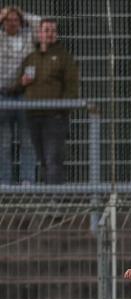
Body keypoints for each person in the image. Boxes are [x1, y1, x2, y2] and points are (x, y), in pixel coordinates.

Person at [17, 17, 77, 184]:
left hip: (55, 118)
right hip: (34, 116)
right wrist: (21, 83)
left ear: (57, 34)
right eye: (46, 30)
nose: (49, 34)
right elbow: (18, 85)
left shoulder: (64, 58)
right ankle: (49, 196)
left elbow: (72, 88)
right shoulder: (31, 58)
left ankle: (56, 197)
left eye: (53, 30)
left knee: (53, 158)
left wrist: (61, 110)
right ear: (40, 33)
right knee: (42, 158)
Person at [0, 5, 38, 185]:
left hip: (24, 94)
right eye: (8, 20)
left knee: (27, 140)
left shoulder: (28, 37)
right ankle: (4, 182)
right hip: (3, 94)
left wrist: (24, 14)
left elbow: (40, 24)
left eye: (16, 20)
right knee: (4, 142)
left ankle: (27, 181)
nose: (12, 23)